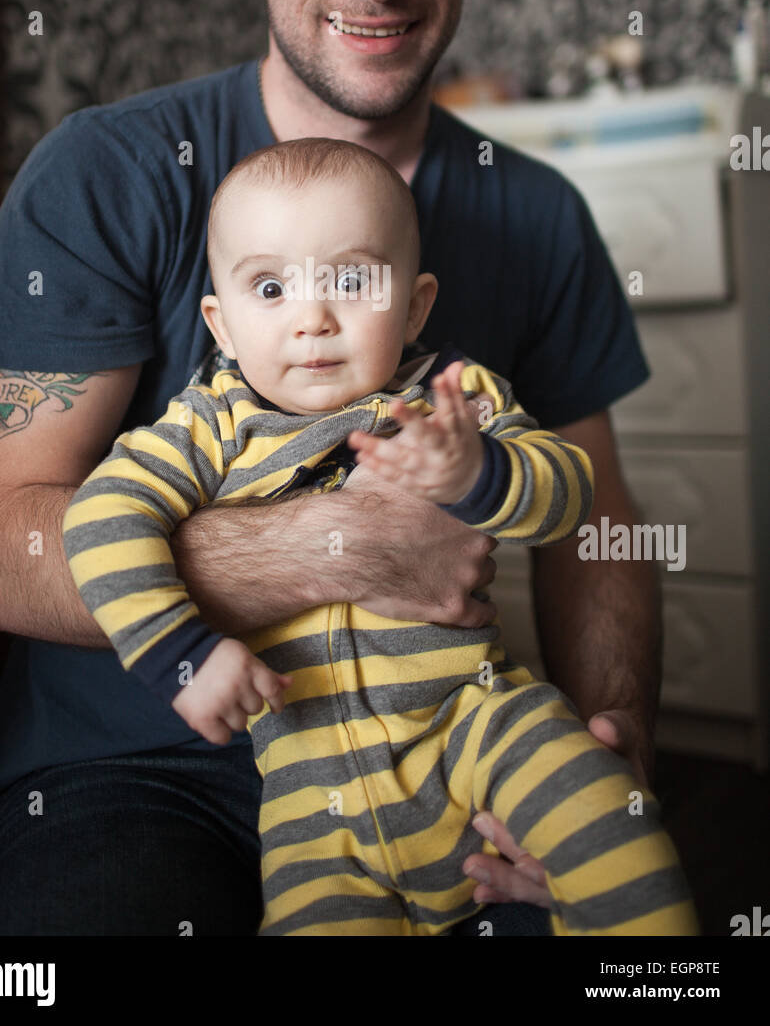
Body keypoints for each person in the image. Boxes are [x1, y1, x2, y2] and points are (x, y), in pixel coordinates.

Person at [0, 0, 663, 936]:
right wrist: (338, 543)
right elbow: (0, 548)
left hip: (449, 761)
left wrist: (612, 751)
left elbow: (591, 516)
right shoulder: (105, 174)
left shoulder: (537, 214)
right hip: (127, 778)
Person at [62, 137, 697, 937]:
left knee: (618, 840)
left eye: (353, 279)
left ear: (416, 305)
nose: (313, 319)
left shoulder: (449, 402)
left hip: (478, 728)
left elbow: (569, 492)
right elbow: (99, 517)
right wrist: (180, 653)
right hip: (309, 805)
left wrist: (479, 475)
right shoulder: (206, 429)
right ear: (220, 323)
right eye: (269, 287)